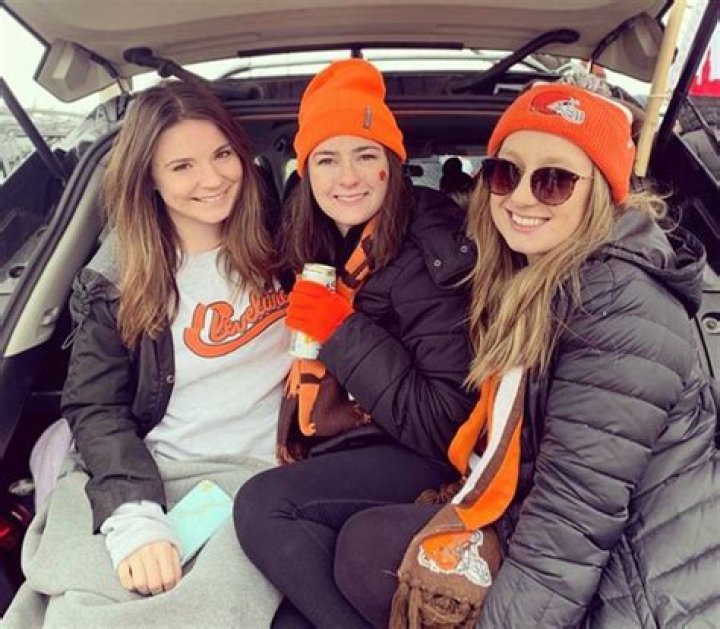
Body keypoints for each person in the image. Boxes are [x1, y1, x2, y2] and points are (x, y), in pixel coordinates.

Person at [332, 81, 720, 627]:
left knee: (365, 551)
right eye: (504, 173)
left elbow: (570, 526)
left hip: (643, 586)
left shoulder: (618, 306)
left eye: (554, 180)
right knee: (363, 545)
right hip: (574, 530)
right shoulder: (528, 277)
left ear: (603, 191)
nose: (520, 197)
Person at [3, 80, 290, 627]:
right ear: (149, 178)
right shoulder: (116, 277)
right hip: (157, 469)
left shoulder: (289, 246)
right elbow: (95, 407)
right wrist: (135, 515)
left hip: (264, 476)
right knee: (83, 609)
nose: (212, 179)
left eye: (222, 154)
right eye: (182, 166)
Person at [233, 58, 477, 628]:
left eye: (365, 155)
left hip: (426, 455)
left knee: (263, 506)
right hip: (354, 444)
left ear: (392, 164)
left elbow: (447, 422)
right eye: (327, 159)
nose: (347, 177)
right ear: (305, 171)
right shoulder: (320, 239)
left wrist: (341, 330)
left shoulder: (432, 250)